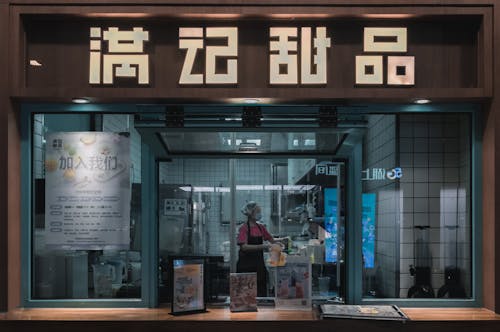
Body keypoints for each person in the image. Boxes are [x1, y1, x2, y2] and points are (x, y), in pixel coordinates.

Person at [236, 201, 279, 297]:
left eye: (260, 211)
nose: (260, 214)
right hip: (246, 266)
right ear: (251, 213)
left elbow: (270, 239)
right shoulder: (243, 228)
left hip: (259, 266)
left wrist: (280, 242)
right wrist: (263, 246)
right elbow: (244, 247)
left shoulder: (261, 227)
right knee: (246, 295)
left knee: (260, 292)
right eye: (258, 211)